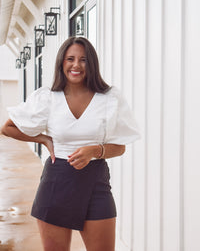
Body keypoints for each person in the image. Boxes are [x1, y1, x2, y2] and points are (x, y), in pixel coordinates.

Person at [1, 36, 140, 251]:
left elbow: (120, 146)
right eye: (70, 59)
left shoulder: (109, 98)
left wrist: (95, 150)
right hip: (56, 181)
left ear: (91, 64)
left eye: (83, 60)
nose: (76, 65)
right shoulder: (47, 98)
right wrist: (43, 139)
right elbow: (8, 127)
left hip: (96, 183)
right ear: (61, 63)